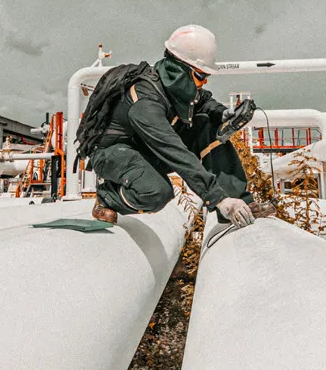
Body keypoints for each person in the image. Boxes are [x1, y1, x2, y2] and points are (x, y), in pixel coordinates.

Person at [87, 25, 269, 226]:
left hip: (145, 150)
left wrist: (223, 114)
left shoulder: (172, 85)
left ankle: (241, 203)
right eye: (201, 75)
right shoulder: (144, 103)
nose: (204, 82)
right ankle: (107, 196)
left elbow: (202, 102)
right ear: (181, 70)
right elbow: (174, 151)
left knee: (208, 126)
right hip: (114, 154)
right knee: (156, 192)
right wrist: (218, 199)